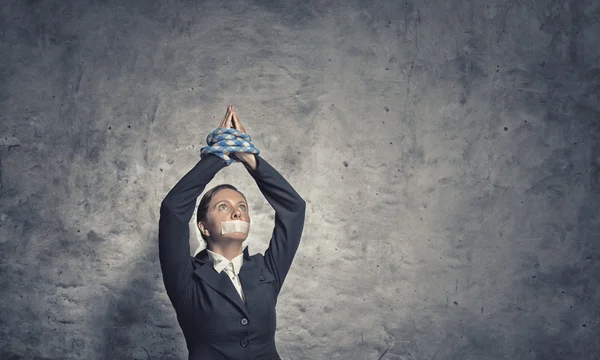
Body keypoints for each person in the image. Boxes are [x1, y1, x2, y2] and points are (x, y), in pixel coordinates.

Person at [158, 105, 306, 360]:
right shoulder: (187, 278)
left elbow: (294, 208)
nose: (237, 213)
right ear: (203, 226)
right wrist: (219, 155)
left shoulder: (266, 271)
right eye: (223, 207)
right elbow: (173, 209)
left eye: (242, 207)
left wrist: (249, 158)